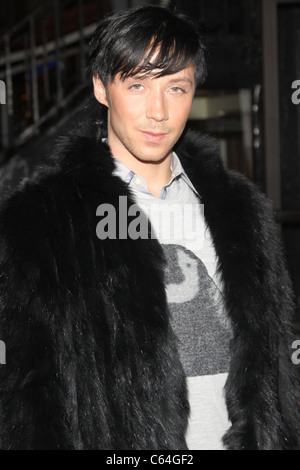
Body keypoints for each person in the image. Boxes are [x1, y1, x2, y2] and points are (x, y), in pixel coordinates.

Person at [0, 5, 299, 450]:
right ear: (102, 88)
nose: (158, 111)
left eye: (176, 87)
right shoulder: (42, 221)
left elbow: (277, 374)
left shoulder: (242, 210)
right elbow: (26, 400)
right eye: (137, 84)